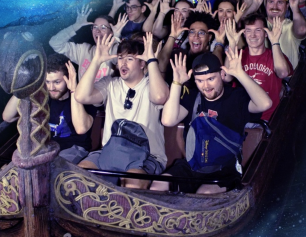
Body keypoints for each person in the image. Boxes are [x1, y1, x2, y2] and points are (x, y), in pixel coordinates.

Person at [150, 48, 272, 194]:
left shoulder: (236, 97)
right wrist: (177, 83)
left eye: (211, 79)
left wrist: (240, 74)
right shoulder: (192, 97)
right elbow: (168, 121)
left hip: (224, 169)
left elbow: (265, 104)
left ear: (222, 74)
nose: (206, 86)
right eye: (200, 81)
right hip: (192, 165)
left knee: (204, 194)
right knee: (157, 186)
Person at [75, 33, 169, 189]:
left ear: (141, 64)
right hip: (110, 151)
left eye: (130, 59)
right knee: (78, 176)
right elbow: (81, 96)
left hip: (148, 155)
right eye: (120, 58)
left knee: (132, 182)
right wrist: (97, 61)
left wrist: (151, 60)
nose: (123, 63)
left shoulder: (152, 84)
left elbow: (160, 97)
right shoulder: (110, 84)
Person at [2, 54, 96, 164]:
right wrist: (25, 86)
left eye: (57, 82)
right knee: (14, 168)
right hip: (46, 148)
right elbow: (7, 117)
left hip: (74, 148)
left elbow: (81, 128)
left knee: (52, 169)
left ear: (68, 78)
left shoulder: (84, 97)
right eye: (47, 82)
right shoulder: (43, 97)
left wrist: (73, 89)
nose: (51, 88)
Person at [225, 14, 293, 121]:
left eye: (258, 30)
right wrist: (232, 43)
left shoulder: (275, 55)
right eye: (248, 31)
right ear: (244, 33)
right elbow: (226, 77)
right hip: (241, 116)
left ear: (266, 33)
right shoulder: (238, 55)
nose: (253, 35)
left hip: (267, 119)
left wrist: (275, 41)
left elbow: (283, 73)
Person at [49, 5, 128, 81]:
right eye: (95, 27)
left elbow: (123, 60)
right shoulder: (83, 50)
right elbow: (54, 43)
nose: (98, 30)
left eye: (103, 27)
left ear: (111, 31)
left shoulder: (113, 50)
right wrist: (76, 26)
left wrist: (116, 37)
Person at [264, 0, 306, 69]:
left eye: (280, 2)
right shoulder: (259, 24)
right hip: (263, 78)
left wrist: (295, 9)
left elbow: (302, 30)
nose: (275, 6)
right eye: (270, 1)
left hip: (287, 79)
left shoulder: (291, 26)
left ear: (287, 5)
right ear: (266, 4)